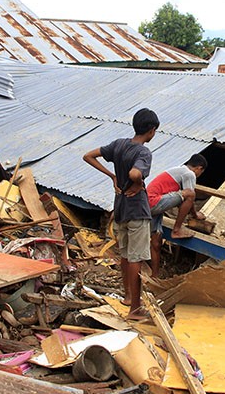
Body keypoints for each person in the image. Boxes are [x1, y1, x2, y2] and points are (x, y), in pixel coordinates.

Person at [83, 108, 159, 319]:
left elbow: (88, 156)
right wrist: (139, 181)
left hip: (121, 208)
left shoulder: (118, 144)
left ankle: (127, 296)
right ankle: (135, 308)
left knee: (125, 255)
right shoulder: (143, 153)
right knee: (136, 258)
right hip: (137, 211)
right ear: (151, 130)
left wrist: (112, 176)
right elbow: (135, 172)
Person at [145, 154, 208, 277]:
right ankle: (176, 230)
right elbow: (190, 196)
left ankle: (155, 276)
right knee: (190, 194)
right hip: (153, 202)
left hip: (150, 205)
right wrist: (195, 215)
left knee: (156, 241)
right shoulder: (189, 173)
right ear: (199, 168)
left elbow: (181, 200)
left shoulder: (177, 170)